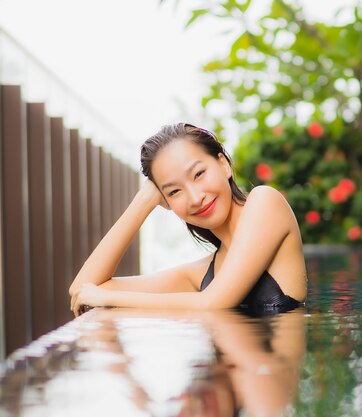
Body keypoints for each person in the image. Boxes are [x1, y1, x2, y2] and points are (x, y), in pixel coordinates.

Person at [69, 123, 307, 316]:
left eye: (199, 174)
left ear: (223, 164)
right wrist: (143, 202)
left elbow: (214, 303)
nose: (195, 198)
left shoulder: (266, 202)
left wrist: (109, 299)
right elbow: (83, 289)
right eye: (174, 191)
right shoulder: (202, 274)